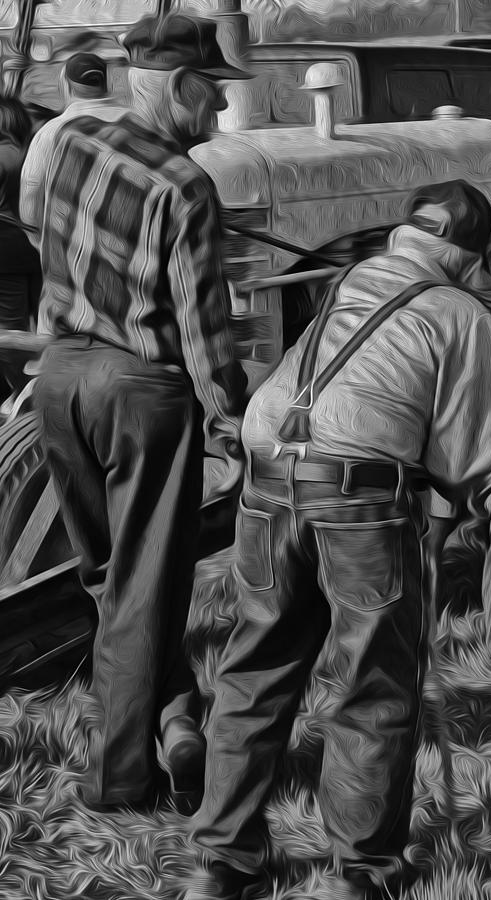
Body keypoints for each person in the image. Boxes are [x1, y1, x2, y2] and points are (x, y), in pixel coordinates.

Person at [186, 181, 491, 900]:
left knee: (255, 669)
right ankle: (361, 874)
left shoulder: (351, 278)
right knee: (371, 685)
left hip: (268, 481)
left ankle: (220, 864)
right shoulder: (459, 311)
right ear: (468, 258)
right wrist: (450, 515)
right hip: (358, 498)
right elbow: (460, 458)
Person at [24, 14, 248, 812]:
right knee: (144, 590)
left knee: (109, 579)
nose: (218, 114)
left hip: (61, 378)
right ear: (184, 89)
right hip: (140, 390)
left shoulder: (74, 145)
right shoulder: (187, 185)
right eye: (214, 95)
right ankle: (122, 780)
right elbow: (202, 324)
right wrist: (231, 417)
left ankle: (179, 719)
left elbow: (53, 257)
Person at [20, 52, 125, 249]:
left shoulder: (52, 132)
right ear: (106, 83)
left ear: (65, 84)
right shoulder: (137, 123)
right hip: (130, 245)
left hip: (70, 247)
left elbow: (31, 189)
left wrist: (39, 242)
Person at [0, 95, 40, 405]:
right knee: (40, 326)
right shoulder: (32, 150)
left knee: (10, 331)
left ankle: (20, 393)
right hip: (35, 248)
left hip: (5, 252)